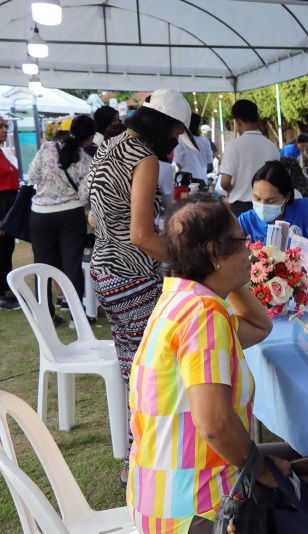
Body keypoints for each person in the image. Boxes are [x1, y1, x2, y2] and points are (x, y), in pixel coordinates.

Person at [127, 199, 291, 533]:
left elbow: (259, 328)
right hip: (194, 510)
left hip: (159, 492)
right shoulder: (203, 314)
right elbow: (215, 424)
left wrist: (230, 278)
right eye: (242, 241)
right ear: (215, 251)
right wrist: (262, 471)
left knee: (297, 456)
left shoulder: (178, 298)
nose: (251, 250)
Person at [87, 88, 199, 485]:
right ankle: (142, 463)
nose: (174, 144)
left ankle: (138, 454)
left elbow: (95, 219)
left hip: (104, 273)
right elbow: (140, 234)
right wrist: (188, 257)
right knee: (151, 372)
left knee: (131, 366)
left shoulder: (109, 146)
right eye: (175, 135)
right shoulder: (145, 157)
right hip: (132, 276)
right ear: (167, 128)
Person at [27, 115, 95, 323]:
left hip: (40, 214)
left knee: (42, 266)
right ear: (91, 138)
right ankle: (77, 317)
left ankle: (45, 316)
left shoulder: (47, 148)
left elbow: (32, 177)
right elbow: (84, 196)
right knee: (72, 265)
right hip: (71, 215)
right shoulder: (87, 161)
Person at [238, 161, 308, 261]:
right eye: (257, 198)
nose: (263, 205)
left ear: (286, 197)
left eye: (271, 200)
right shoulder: (245, 221)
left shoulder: (304, 208)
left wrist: (277, 259)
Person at [219, 99, 280, 216]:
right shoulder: (272, 146)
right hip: (266, 209)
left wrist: (235, 189)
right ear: (257, 120)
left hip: (240, 208)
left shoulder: (233, 145)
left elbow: (225, 183)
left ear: (238, 122)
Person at [0, 116, 20, 310]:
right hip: (2, 207)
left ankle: (6, 290)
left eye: (5, 126)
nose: (5, 130)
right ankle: (4, 293)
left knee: (6, 250)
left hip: (9, 206)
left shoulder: (2, 152)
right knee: (2, 252)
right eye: (1, 127)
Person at [173, 113, 214, 185]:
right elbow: (210, 162)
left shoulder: (181, 140)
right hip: (203, 179)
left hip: (187, 179)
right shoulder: (205, 141)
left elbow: (177, 160)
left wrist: (181, 169)